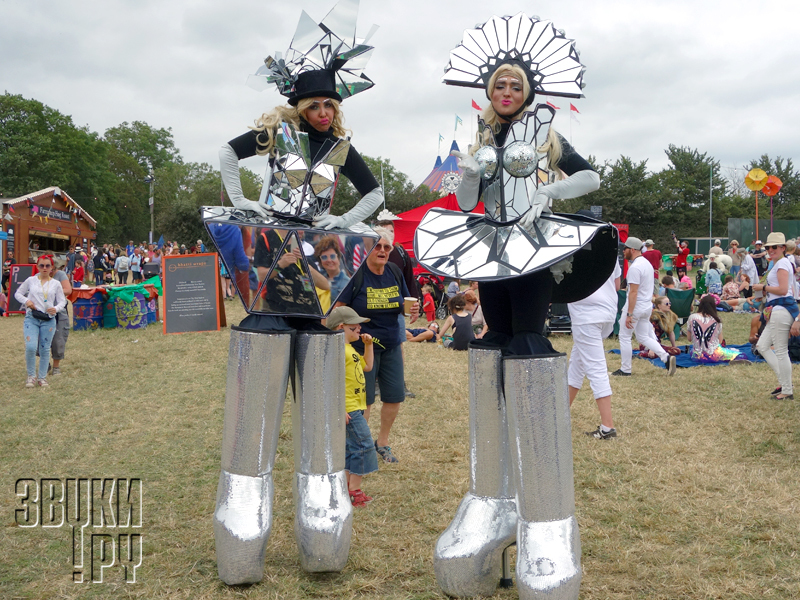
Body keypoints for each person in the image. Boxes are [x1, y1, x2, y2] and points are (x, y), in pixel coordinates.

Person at [422, 15, 618, 599]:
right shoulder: (484, 138)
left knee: (530, 347)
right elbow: (463, 201)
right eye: (498, 86)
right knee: (492, 347)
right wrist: (470, 172)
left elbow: (588, 176)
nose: (506, 93)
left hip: (532, 250)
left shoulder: (544, 135)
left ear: (528, 91)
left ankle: (545, 514)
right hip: (489, 250)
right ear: (488, 93)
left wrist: (546, 194)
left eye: (515, 86)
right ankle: (492, 499)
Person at [208, 2, 385, 584]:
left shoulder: (340, 147)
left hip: (318, 261)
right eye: (317, 103)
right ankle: (243, 511)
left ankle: (322, 504)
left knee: (316, 359)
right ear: (300, 106)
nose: (325, 111)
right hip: (271, 250)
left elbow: (374, 194)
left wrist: (345, 221)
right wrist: (249, 204)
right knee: (262, 351)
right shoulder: (277, 132)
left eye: (332, 104)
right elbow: (228, 156)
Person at [336, 227, 419, 463]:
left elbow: (404, 301)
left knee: (394, 397)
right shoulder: (356, 275)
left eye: (386, 247)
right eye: (377, 246)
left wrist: (412, 308)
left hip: (392, 344)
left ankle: (382, 443)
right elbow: (340, 309)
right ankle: (357, 446)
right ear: (367, 249)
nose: (382, 251)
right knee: (365, 400)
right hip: (363, 347)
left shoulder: (394, 271)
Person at [326, 306, 378, 508]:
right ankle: (354, 491)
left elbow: (368, 366)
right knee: (364, 446)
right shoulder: (337, 350)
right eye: (354, 327)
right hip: (348, 408)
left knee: (351, 448)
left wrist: (369, 345)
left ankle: (345, 487)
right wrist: (340, 408)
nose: (359, 330)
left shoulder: (350, 350)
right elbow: (330, 380)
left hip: (356, 406)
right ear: (341, 327)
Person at [567, 258, 622, 440]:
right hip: (606, 311)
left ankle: (608, 427)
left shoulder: (572, 247)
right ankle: (561, 413)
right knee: (577, 363)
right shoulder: (607, 245)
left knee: (595, 368)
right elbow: (617, 282)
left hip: (586, 314)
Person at [615, 237, 677, 376]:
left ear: (632, 249)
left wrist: (629, 314)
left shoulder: (635, 267)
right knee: (644, 337)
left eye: (625, 249)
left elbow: (633, 292)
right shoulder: (647, 264)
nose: (623, 251)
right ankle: (665, 357)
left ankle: (625, 369)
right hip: (646, 306)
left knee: (624, 337)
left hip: (636, 307)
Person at [753, 232, 800, 400]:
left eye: (774, 247)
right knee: (762, 346)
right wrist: (762, 293)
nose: (770, 250)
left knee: (780, 350)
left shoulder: (782, 264)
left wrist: (763, 288)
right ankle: (784, 383)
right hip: (777, 307)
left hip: (782, 308)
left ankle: (787, 389)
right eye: (768, 247)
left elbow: (782, 290)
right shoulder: (780, 263)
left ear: (782, 248)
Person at [14, 254, 67, 387]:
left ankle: (42, 378)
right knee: (31, 347)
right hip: (32, 318)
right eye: (41, 265)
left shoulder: (56, 284)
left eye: (47, 265)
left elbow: (62, 301)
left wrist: (56, 308)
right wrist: (27, 301)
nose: (44, 268)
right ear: (37, 266)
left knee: (44, 349)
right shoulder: (31, 280)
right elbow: (18, 293)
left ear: (52, 268)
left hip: (48, 319)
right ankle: (31, 376)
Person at [686, 295, 745, 363]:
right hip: (714, 355)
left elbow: (689, 338)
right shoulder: (716, 319)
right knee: (741, 355)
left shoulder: (692, 317)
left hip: (696, 356)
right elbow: (720, 340)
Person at [314, 235, 351, 302]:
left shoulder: (348, 283)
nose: (329, 260)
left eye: (332, 256)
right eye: (324, 257)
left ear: (339, 258)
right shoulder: (318, 280)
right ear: (320, 261)